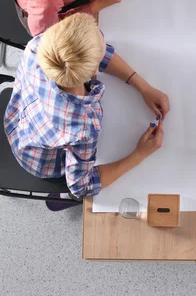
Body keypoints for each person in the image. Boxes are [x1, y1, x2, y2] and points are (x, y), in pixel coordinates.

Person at [3, 13, 170, 210]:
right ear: (94, 71)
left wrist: (142, 86)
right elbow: (81, 186)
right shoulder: (81, 126)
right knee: (77, 189)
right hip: (40, 161)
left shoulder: (38, 45)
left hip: (16, 120)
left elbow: (89, 53)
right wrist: (139, 154)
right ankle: (60, 192)